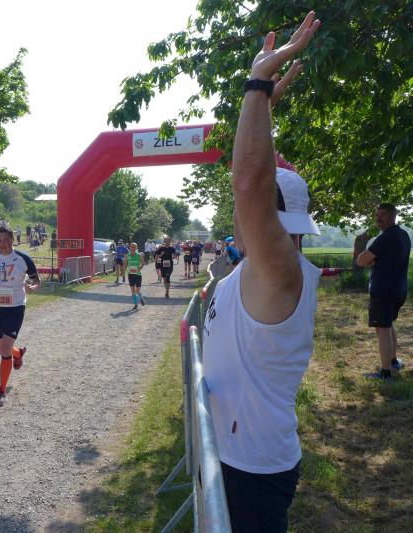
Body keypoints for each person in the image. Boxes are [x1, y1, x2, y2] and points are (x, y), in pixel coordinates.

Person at [201, 12, 321, 532]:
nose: (240, 217)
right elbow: (247, 184)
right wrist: (264, 106)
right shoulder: (255, 264)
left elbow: (249, 181)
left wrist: (256, 83)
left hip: (252, 468)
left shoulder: (282, 273)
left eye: (251, 213)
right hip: (238, 454)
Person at [0, 227, 40, 407]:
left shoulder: (23, 258)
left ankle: (1, 391)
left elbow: (36, 280)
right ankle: (18, 353)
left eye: (5, 240)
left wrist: (32, 287)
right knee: (1, 349)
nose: (2, 244)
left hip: (16, 307)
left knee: (4, 350)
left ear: (12, 239)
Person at [356, 203, 411, 380]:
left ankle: (386, 373)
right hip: (399, 289)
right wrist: (374, 260)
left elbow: (361, 261)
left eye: (384, 214)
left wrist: (371, 260)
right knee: (388, 325)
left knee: (382, 329)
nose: (378, 218)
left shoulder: (385, 238)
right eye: (377, 214)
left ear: (394, 216)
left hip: (383, 291)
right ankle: (393, 361)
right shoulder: (403, 235)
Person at [125, 242, 146, 310]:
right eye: (132, 247)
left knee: (137, 291)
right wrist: (125, 270)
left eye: (134, 247)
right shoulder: (127, 256)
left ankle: (140, 297)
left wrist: (140, 268)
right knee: (133, 291)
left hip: (138, 275)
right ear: (129, 248)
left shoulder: (139, 255)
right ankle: (135, 304)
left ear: (136, 248)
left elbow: (143, 263)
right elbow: (125, 265)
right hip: (130, 275)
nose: (133, 248)